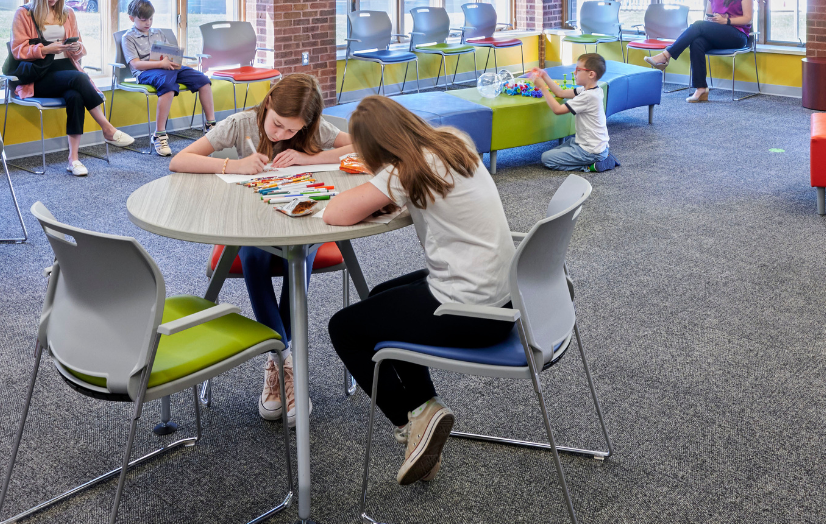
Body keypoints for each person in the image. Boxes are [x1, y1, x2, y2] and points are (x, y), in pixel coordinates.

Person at [324, 94, 516, 486]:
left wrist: (378, 190)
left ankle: (410, 420)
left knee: (343, 328)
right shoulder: (452, 141)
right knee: (380, 296)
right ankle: (425, 411)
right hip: (504, 296)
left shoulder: (403, 170)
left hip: (469, 312)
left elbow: (335, 213)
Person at [168, 73, 353, 424]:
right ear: (267, 103)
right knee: (252, 253)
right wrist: (233, 165)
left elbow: (361, 147)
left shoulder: (312, 130)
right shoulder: (240, 125)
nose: (281, 135)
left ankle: (276, 359)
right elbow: (179, 160)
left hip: (303, 220)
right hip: (253, 226)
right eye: (278, 125)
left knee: (301, 250)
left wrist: (306, 158)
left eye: (291, 131)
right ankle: (286, 360)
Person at [8, 0, 134, 175]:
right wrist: (47, 49)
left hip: (67, 72)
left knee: (75, 96)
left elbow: (80, 47)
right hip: (39, 76)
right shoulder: (24, 14)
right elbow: (18, 50)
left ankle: (73, 159)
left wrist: (77, 49)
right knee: (79, 78)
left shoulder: (68, 13)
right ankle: (108, 129)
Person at [642, 0, 753, 102]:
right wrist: (712, 20)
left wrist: (726, 21)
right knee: (697, 42)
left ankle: (666, 55)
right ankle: (701, 89)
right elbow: (708, 16)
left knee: (698, 25)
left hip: (738, 36)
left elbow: (748, 18)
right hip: (718, 34)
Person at [119, 0, 216, 156]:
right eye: (144, 20)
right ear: (132, 18)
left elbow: (167, 54)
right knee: (168, 86)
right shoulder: (128, 37)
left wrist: (173, 61)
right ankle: (159, 134)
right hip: (146, 73)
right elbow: (135, 64)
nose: (148, 23)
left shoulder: (157, 32)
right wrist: (161, 64)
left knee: (203, 80)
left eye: (150, 19)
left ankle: (210, 125)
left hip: (167, 68)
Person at [530, 53, 616, 171]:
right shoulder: (592, 90)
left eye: (578, 70)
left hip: (591, 150)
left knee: (546, 158)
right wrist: (544, 76)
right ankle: (603, 157)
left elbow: (558, 110)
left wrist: (542, 88)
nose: (575, 73)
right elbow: (560, 93)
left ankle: (591, 166)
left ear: (591, 74)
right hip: (589, 144)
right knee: (561, 147)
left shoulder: (588, 96)